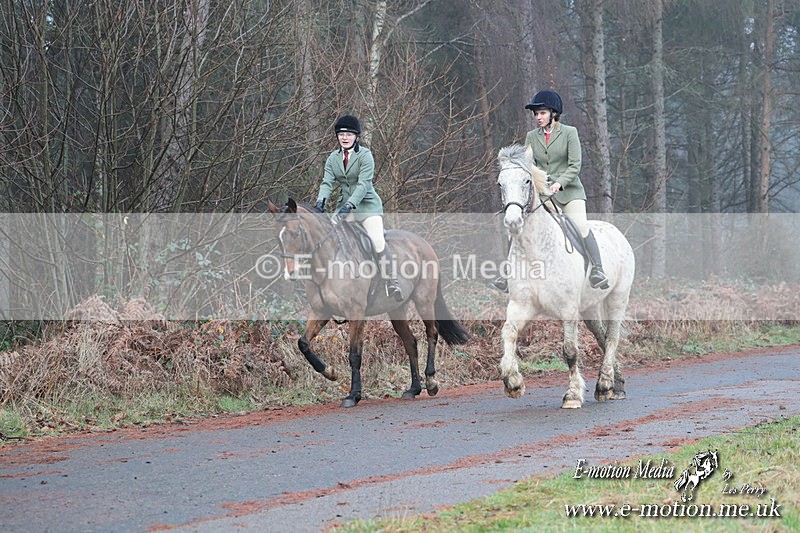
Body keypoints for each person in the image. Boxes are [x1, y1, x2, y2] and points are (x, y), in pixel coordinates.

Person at [494, 89, 609, 291]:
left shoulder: (569, 133)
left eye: (542, 113)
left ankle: (597, 270)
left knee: (581, 226)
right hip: (545, 195)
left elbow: (575, 165)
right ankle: (507, 274)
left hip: (570, 193)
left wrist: (559, 183)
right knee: (520, 225)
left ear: (554, 113)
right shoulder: (531, 137)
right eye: (536, 114)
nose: (538, 117)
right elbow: (528, 166)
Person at [314, 114, 404, 301]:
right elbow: (327, 182)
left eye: (348, 134)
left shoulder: (365, 156)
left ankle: (392, 281)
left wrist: (349, 205)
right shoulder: (332, 159)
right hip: (344, 208)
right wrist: (321, 200)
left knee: (377, 240)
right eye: (341, 134)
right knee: (329, 236)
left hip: (367, 207)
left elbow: (363, 185)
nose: (344, 137)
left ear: (356, 136)